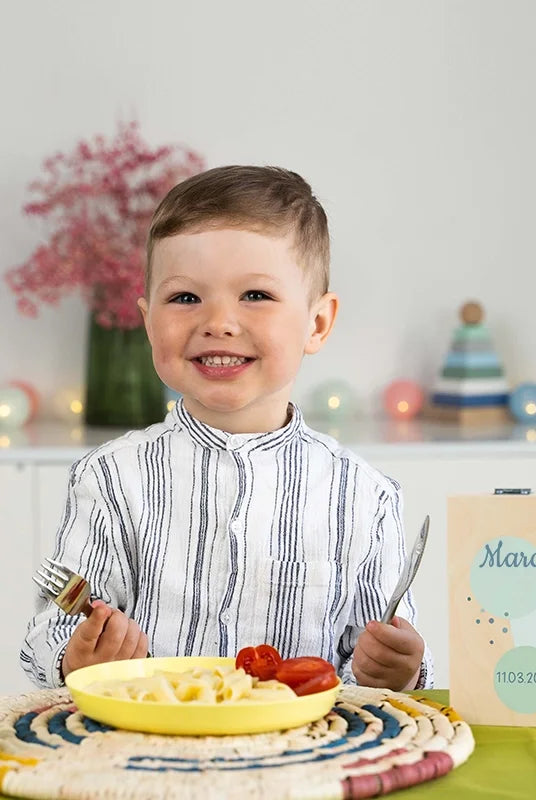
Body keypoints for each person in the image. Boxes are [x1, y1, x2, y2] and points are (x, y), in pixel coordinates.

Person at [20, 165, 432, 692]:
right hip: (151, 754)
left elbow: (373, 663)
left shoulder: (365, 498)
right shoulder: (110, 478)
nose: (217, 321)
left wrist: (395, 668)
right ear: (148, 323)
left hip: (306, 759)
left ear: (318, 323)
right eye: (185, 298)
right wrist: (74, 658)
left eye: (255, 295)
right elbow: (50, 636)